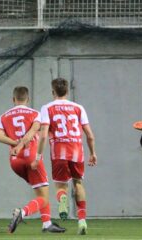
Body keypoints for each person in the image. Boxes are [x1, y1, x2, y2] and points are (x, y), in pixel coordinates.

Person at [0, 86, 66, 234]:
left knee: (40, 191)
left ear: (13, 99)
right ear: (28, 99)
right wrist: (21, 144)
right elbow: (32, 132)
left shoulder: (3, 116)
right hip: (31, 158)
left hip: (15, 161)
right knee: (44, 197)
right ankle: (21, 213)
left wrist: (15, 144)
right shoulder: (35, 114)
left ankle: (47, 224)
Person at [36, 78, 97, 235]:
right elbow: (90, 135)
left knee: (61, 186)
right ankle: (82, 220)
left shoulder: (47, 108)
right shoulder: (78, 108)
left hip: (59, 151)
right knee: (78, 184)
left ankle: (62, 199)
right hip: (77, 150)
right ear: (67, 91)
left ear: (52, 92)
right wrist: (92, 153)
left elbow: (43, 135)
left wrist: (38, 155)